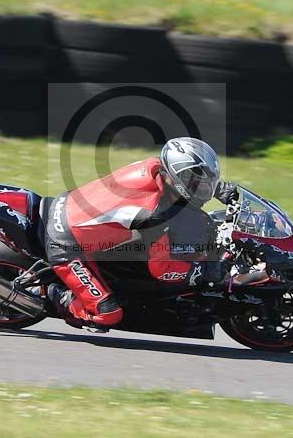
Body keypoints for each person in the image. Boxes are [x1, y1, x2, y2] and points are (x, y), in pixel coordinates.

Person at [43, 137, 239, 330]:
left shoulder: (155, 166)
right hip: (66, 244)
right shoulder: (154, 213)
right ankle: (54, 295)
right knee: (109, 314)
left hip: (68, 205)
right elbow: (161, 269)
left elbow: (180, 191)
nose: (205, 189)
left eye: (209, 183)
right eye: (200, 184)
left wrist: (216, 190)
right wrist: (202, 271)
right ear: (181, 179)